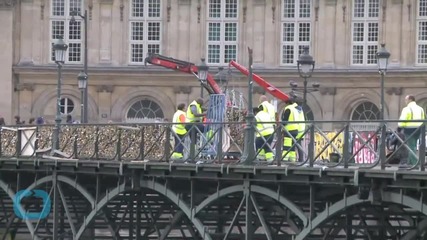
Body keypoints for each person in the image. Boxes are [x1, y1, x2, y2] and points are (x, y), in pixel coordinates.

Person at [397, 95, 426, 166]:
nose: (405, 101)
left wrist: (399, 127)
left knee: (411, 146)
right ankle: (410, 162)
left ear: (410, 100)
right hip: (418, 129)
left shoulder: (407, 109)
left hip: (409, 129)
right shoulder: (421, 109)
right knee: (414, 145)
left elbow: (403, 119)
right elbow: (424, 119)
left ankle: (414, 163)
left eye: (406, 99)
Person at [281, 96, 305, 162]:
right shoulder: (296, 109)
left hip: (289, 130)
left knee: (287, 145)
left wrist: (281, 127)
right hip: (296, 130)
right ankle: (292, 159)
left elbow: (285, 120)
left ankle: (285, 159)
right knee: (292, 146)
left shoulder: (288, 108)